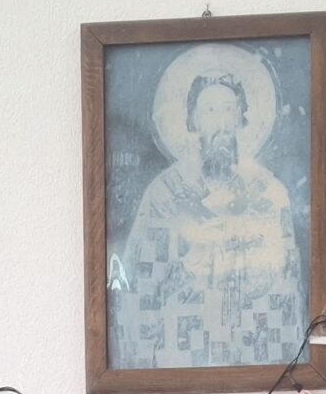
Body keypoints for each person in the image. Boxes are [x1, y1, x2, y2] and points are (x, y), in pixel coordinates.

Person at [114, 59, 303, 370]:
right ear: (194, 121)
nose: (222, 123)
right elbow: (140, 287)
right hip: (181, 353)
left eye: (229, 110)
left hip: (251, 353)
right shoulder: (164, 194)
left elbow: (287, 287)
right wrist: (189, 266)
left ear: (241, 118)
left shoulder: (270, 193)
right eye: (211, 111)